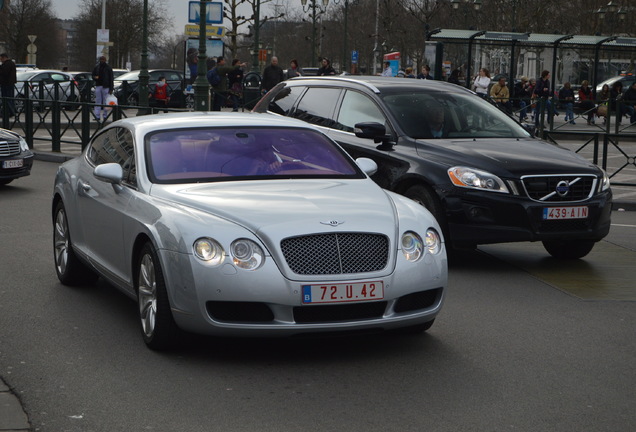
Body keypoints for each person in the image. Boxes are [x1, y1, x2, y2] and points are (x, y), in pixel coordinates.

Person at [92, 55, 114, 122]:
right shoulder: (107, 68)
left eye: (103, 60)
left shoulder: (98, 67)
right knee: (101, 101)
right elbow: (111, 78)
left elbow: (111, 78)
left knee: (101, 101)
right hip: (104, 86)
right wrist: (111, 88)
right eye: (101, 60)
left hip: (101, 85)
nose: (102, 61)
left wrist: (111, 88)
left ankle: (100, 115)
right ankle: (102, 116)